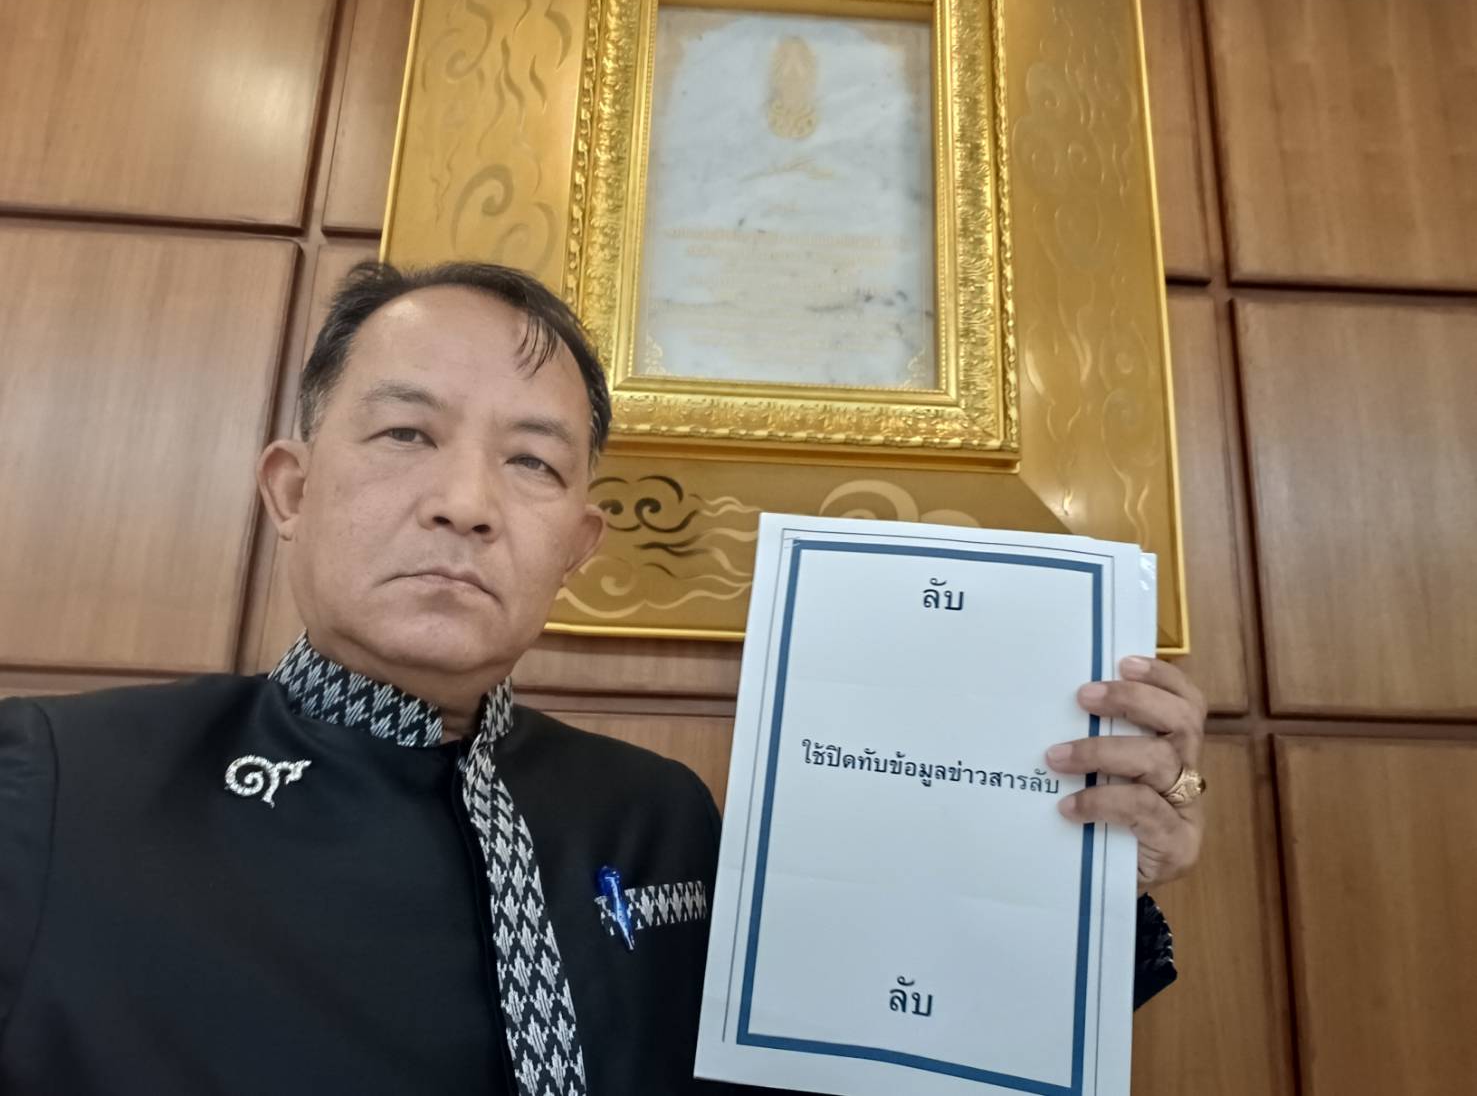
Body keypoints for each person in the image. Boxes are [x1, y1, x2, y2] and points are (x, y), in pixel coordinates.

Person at [0, 262, 1206, 1095]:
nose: (464, 502)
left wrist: (1082, 867)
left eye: (530, 462)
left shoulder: (658, 815)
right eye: (406, 433)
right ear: (292, 489)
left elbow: (862, 1064)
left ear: (577, 545)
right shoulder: (54, 787)